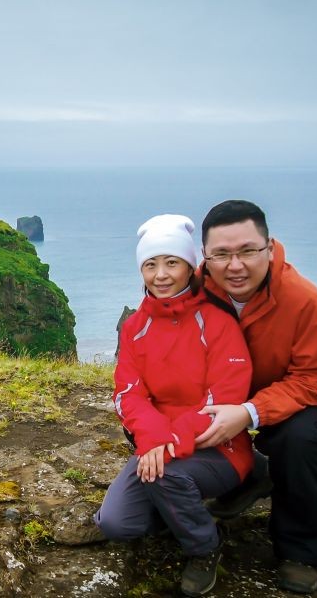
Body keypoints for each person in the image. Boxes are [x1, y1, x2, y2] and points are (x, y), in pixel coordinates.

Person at [94, 214, 254, 597]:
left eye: (171, 263)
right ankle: (177, 507)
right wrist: (153, 438)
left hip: (218, 446)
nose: (161, 275)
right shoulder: (135, 327)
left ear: (188, 266)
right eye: (150, 264)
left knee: (165, 476)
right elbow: (128, 392)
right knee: (116, 524)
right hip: (158, 445)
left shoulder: (217, 321)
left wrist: (168, 442)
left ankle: (205, 546)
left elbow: (225, 396)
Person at [194, 200, 317, 594]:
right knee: (159, 421)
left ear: (269, 247)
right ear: (205, 257)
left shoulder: (305, 300)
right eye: (222, 255)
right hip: (216, 389)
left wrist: (249, 412)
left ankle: (302, 550)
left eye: (247, 251)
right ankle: (246, 477)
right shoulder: (191, 292)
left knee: (300, 440)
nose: (235, 265)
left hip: (286, 394)